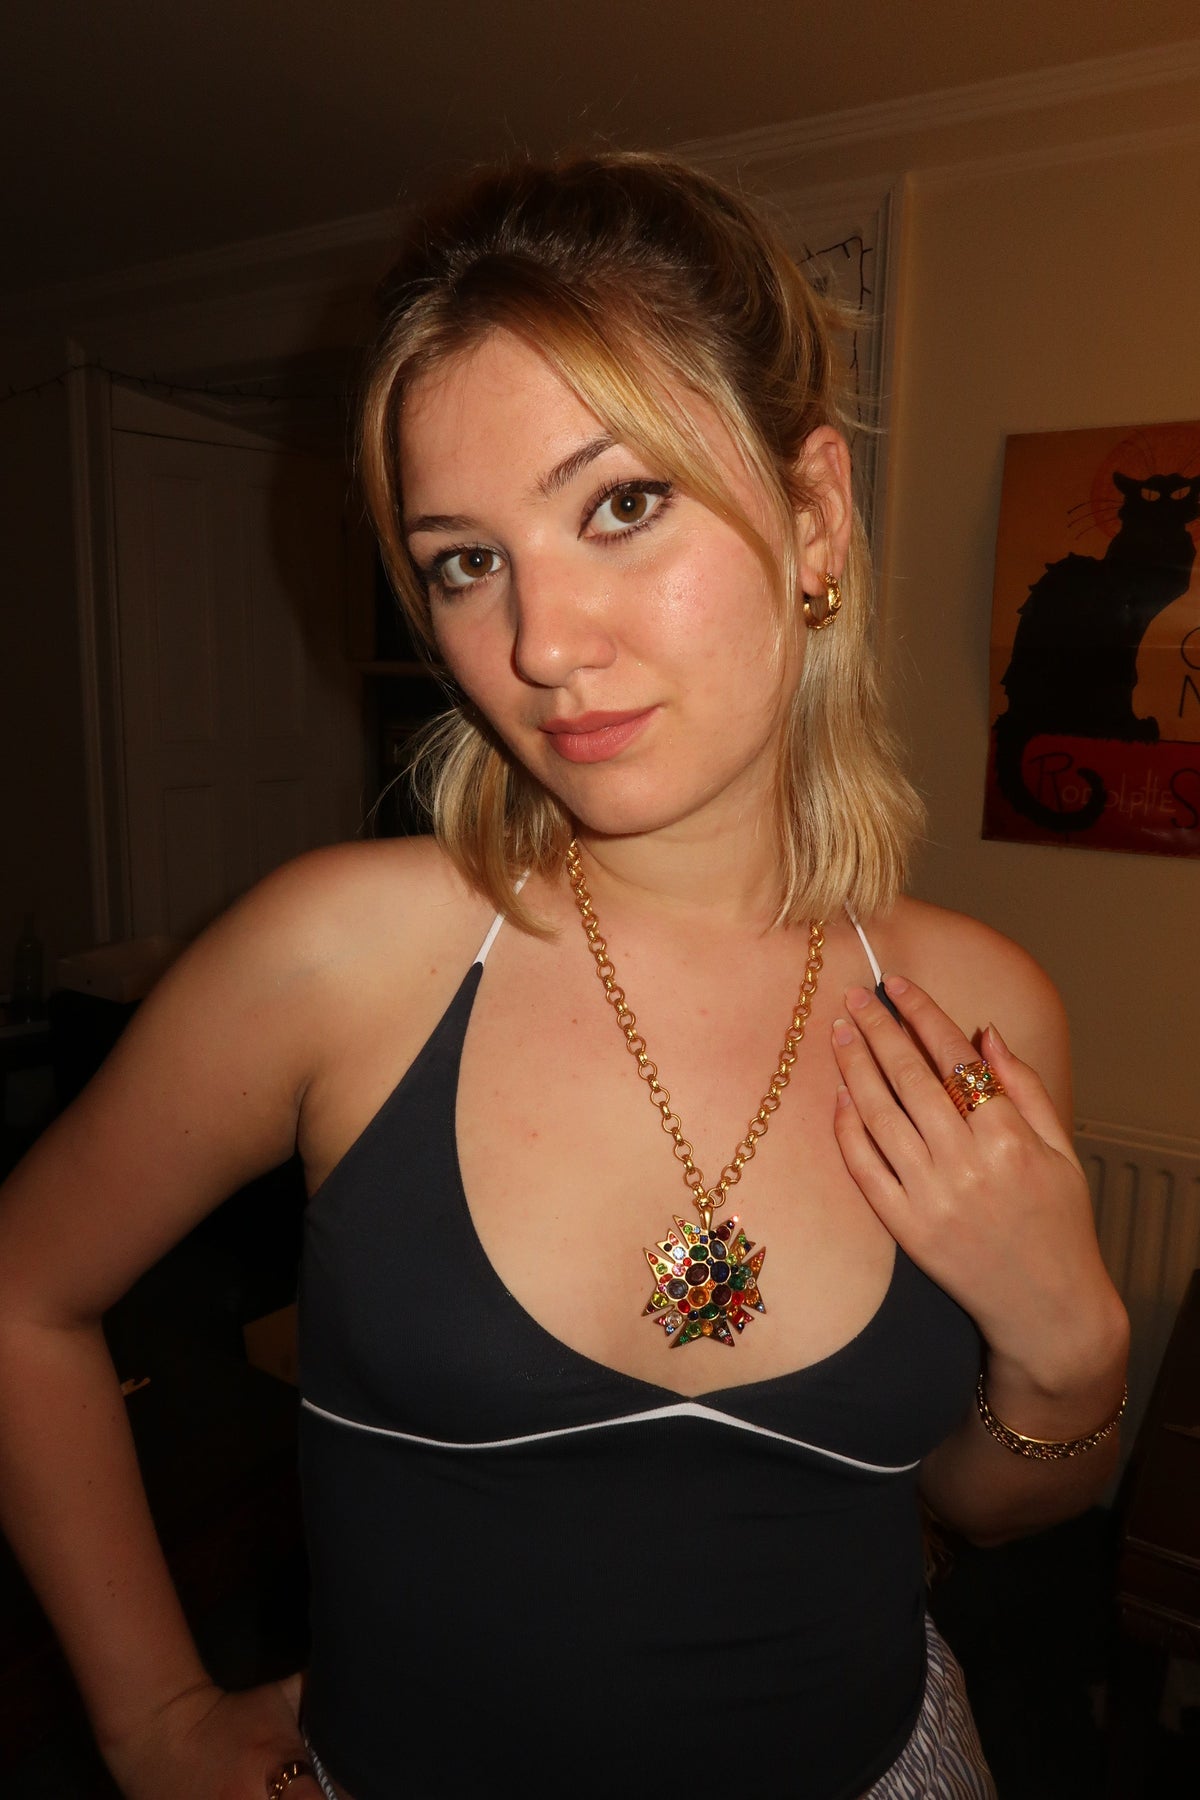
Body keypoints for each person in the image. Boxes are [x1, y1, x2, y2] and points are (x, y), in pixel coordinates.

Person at [0, 152, 1129, 1800]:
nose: (537, 643)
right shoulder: (340, 956)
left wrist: (1070, 1350)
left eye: (619, 505)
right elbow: (22, 1291)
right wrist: (152, 1717)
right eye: (467, 560)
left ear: (814, 515)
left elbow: (989, 1501)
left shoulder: (981, 1013)